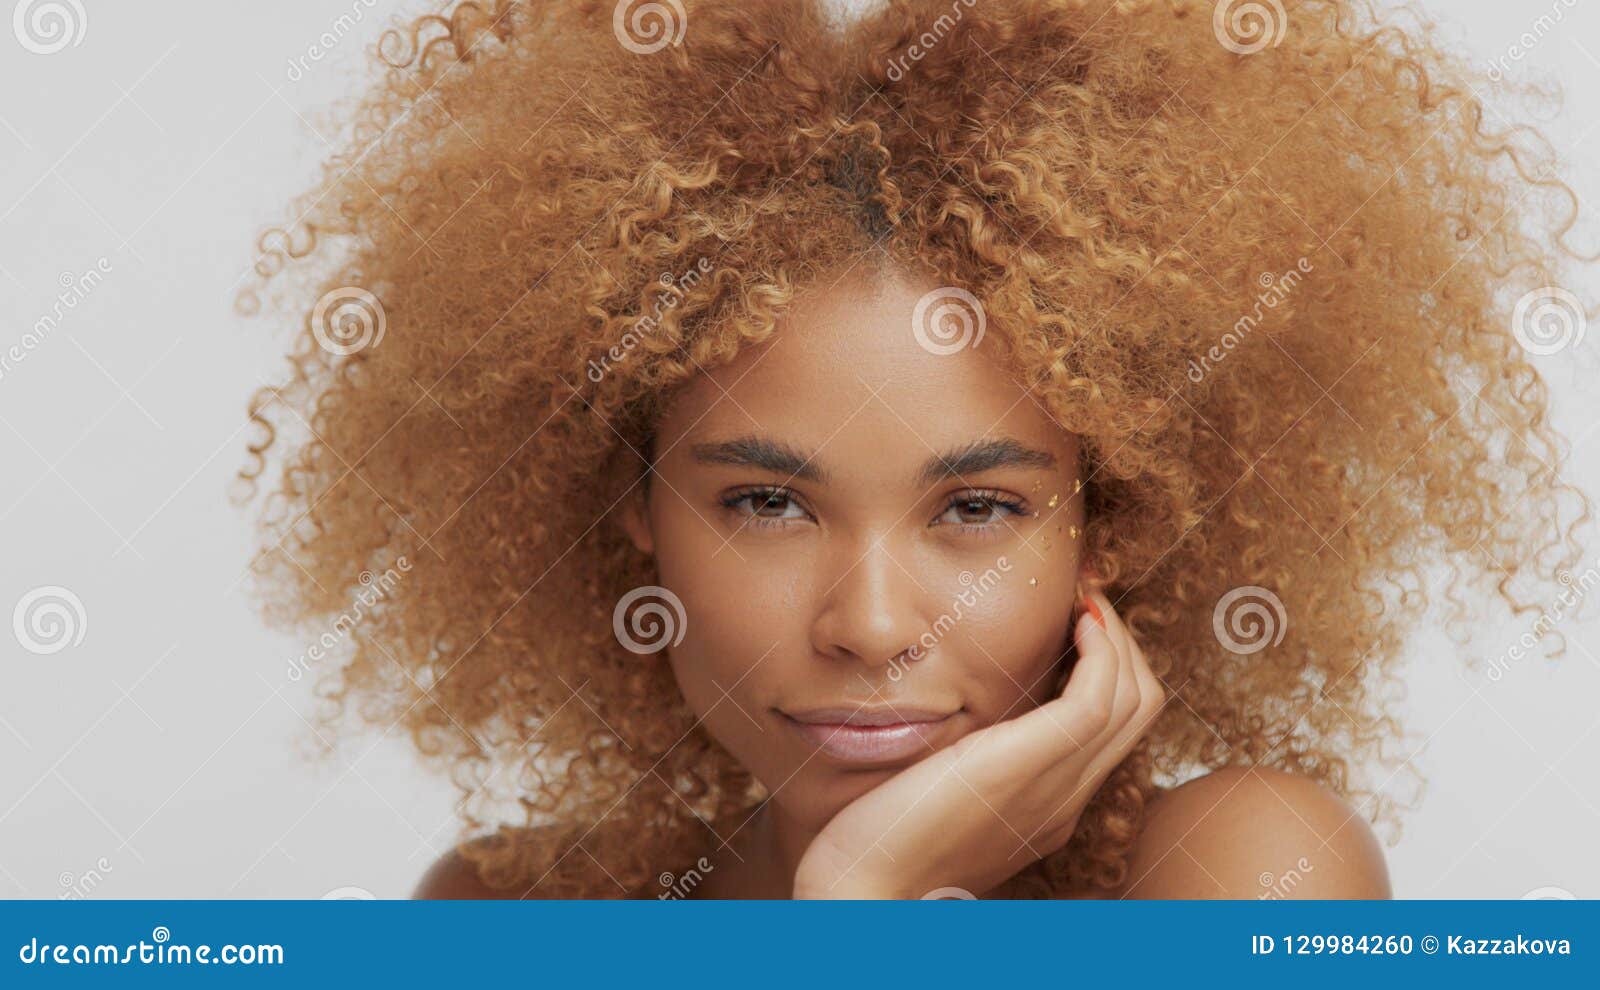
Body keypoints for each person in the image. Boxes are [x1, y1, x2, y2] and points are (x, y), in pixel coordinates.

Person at [239, 0, 1589, 898]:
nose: (870, 621)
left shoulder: (1237, 872)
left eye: (977, 509)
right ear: (632, 507)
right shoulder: (508, 912)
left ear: (1106, 526)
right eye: (768, 499)